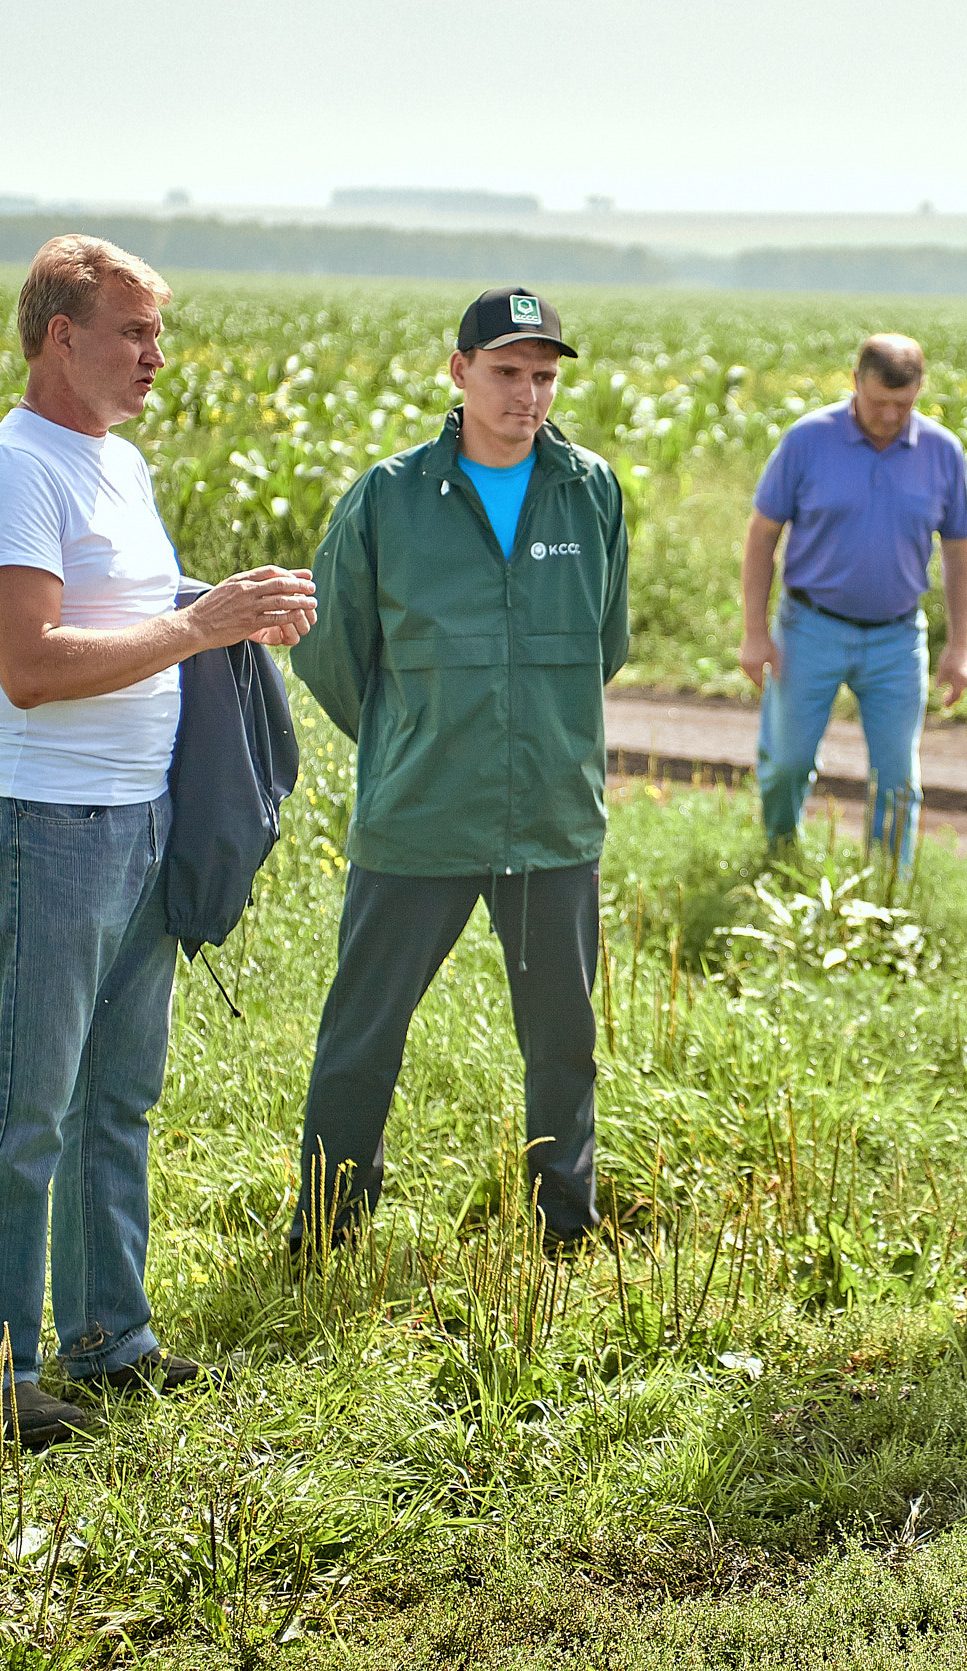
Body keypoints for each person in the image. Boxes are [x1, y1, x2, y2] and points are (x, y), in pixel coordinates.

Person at [0, 236, 316, 1450]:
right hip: (48, 824)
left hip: (140, 819)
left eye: (160, 333)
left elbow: (140, 613)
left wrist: (231, 608)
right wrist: (197, 625)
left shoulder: (118, 463)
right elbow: (32, 663)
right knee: (31, 1106)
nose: (157, 355)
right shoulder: (11, 473)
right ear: (61, 335)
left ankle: (111, 1337)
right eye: (134, 332)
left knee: (117, 1100)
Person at [288, 286, 629, 1258]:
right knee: (362, 1036)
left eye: (545, 377)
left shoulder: (590, 491)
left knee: (563, 1042)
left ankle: (566, 1224)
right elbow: (331, 652)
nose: (528, 396)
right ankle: (324, 1227)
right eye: (508, 373)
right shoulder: (391, 496)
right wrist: (413, 736)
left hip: (554, 819)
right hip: (420, 817)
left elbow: (602, 642)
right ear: (459, 371)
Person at [738, 335, 967, 861]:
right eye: (879, 402)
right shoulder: (807, 441)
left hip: (897, 637)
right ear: (855, 382)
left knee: (897, 778)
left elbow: (961, 552)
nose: (891, 415)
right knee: (786, 763)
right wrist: (755, 633)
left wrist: (961, 646)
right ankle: (780, 857)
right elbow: (762, 536)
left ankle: (887, 894)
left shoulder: (942, 452)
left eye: (904, 404)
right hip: (810, 627)